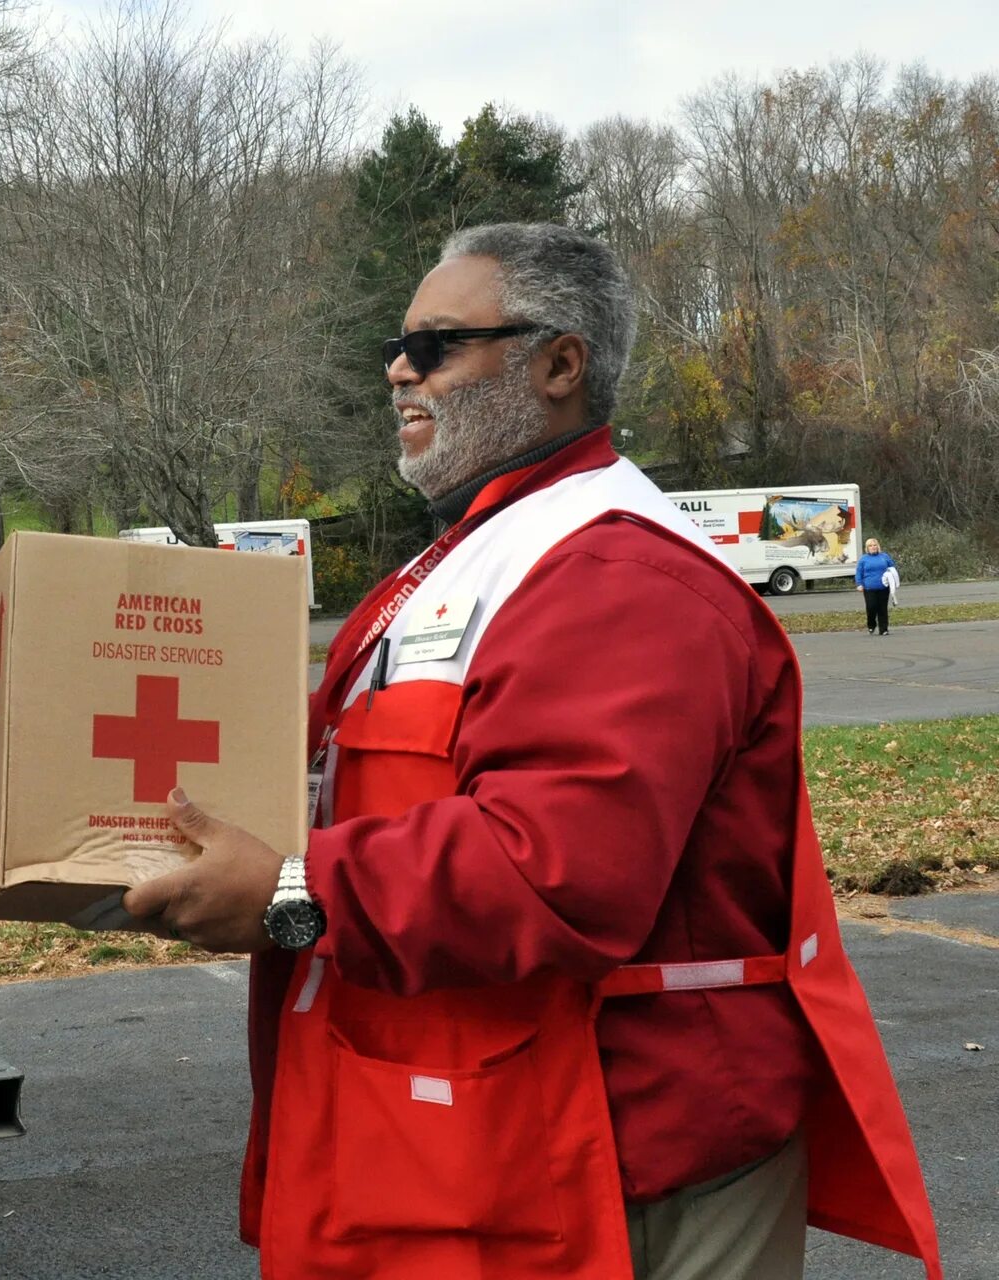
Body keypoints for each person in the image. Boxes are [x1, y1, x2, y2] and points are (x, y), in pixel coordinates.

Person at [124, 223, 942, 1280]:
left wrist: (287, 889)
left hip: (626, 1160)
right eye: (396, 341)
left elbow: (556, 866)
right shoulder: (461, 563)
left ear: (561, 364)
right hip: (470, 1136)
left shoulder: (616, 576)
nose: (397, 368)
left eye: (436, 344)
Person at [858, 537, 898, 635]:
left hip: (883, 587)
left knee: (882, 608)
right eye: (870, 545)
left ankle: (883, 629)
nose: (873, 547)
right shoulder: (864, 559)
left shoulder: (884, 556)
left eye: (875, 545)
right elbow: (859, 572)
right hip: (869, 587)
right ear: (867, 548)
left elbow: (892, 568)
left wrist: (892, 578)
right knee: (871, 606)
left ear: (878, 546)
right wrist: (859, 584)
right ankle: (871, 625)